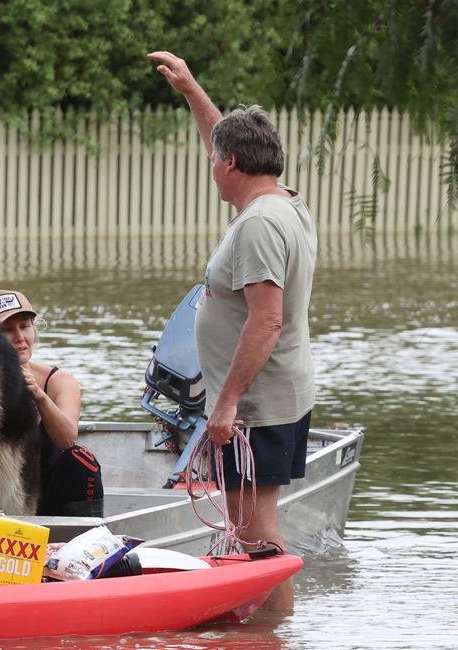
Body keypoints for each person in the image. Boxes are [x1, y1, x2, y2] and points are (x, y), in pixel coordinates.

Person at [148, 52, 317, 610]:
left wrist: (224, 406)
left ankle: (270, 647)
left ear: (233, 165)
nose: (211, 163)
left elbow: (266, 320)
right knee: (252, 519)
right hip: (273, 396)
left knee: (253, 526)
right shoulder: (279, 203)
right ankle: (267, 638)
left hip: (256, 405)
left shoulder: (261, 224)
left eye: (216, 158)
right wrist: (193, 91)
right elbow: (222, 139)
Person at [0, 289, 104, 516]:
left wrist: (38, 395)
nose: (19, 338)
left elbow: (67, 440)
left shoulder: (59, 381)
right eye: (7, 330)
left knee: (82, 459)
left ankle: (85, 537)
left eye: (24, 326)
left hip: (52, 498)